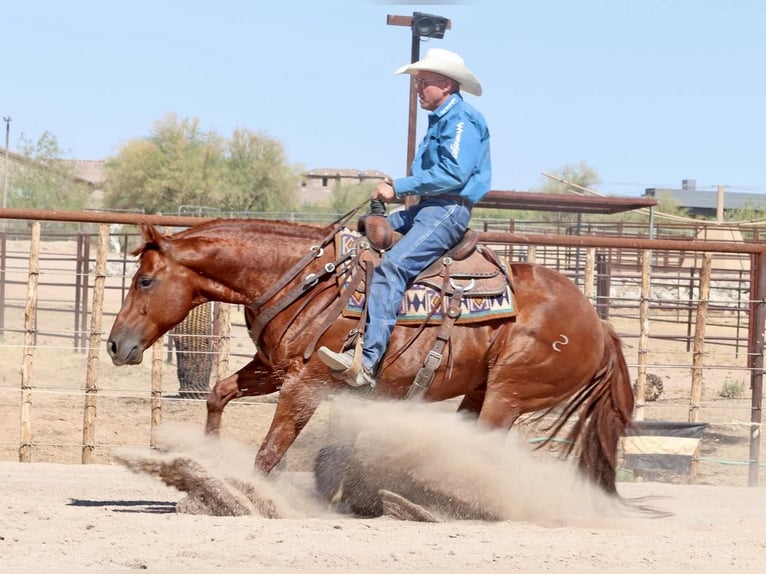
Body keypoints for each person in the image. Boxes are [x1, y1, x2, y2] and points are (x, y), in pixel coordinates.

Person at [318, 48, 492, 388]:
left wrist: (398, 186)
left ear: (445, 84)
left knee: (393, 266)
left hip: (447, 210)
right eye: (417, 82)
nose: (418, 89)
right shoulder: (443, 120)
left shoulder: (462, 120)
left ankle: (367, 361)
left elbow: (453, 174)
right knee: (360, 234)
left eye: (423, 82)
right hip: (426, 208)